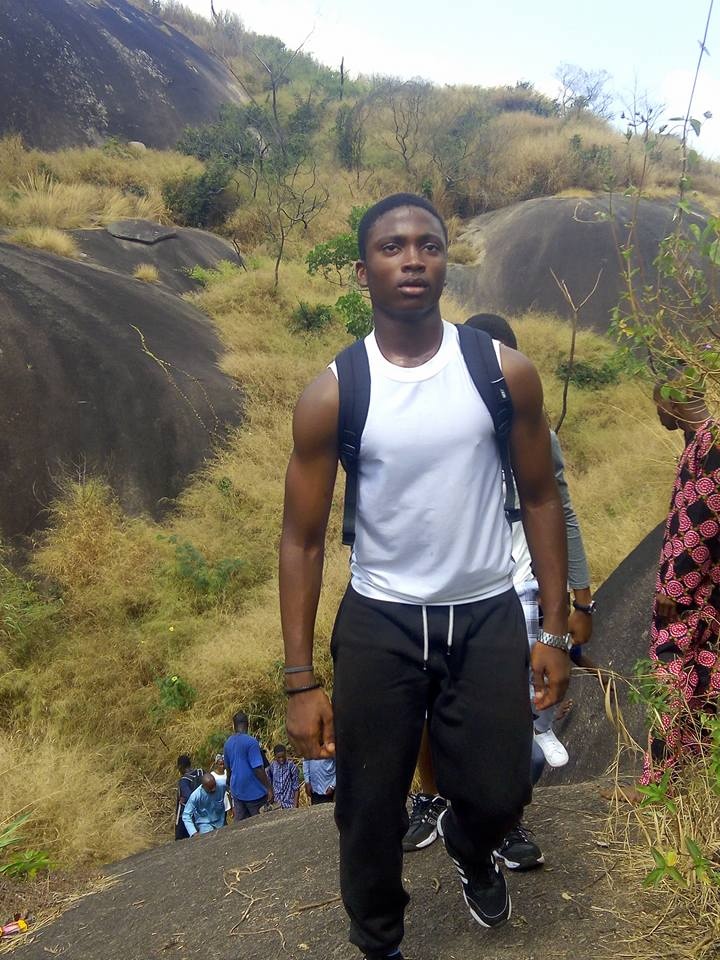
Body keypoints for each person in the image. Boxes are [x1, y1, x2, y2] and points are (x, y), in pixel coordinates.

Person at [279, 193, 571, 960]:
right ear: (362, 271)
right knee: (368, 809)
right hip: (382, 620)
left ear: (446, 262)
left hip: (485, 612)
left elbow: (542, 497)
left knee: (504, 788)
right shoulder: (336, 392)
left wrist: (554, 631)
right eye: (392, 247)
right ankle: (380, 940)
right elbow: (301, 540)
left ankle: (473, 848)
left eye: (428, 245)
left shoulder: (502, 374)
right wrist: (300, 680)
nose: (412, 259)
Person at [403, 313, 596, 872]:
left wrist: (581, 599)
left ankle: (506, 819)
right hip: (444, 585)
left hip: (516, 582)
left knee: (509, 705)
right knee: (430, 697)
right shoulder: (437, 428)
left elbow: (560, 511)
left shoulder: (537, 435)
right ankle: (431, 797)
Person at [638, 374, 720, 785]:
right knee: (702, 672)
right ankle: (695, 770)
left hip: (693, 590)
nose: (658, 415)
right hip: (700, 587)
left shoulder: (712, 445)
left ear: (671, 403)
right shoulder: (700, 442)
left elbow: (705, 519)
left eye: (658, 405)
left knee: (668, 671)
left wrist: (677, 587)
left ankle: (658, 781)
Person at [223, 711, 273, 820]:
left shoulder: (228, 743)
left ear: (234, 725)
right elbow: (258, 769)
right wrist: (269, 788)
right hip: (254, 793)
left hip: (237, 791)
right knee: (260, 823)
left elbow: (228, 769)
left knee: (241, 825)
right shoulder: (251, 742)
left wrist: (230, 786)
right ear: (247, 724)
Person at [175, 754, 203, 841]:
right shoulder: (201, 772)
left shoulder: (184, 781)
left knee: (180, 840)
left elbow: (190, 797)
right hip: (205, 810)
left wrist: (183, 801)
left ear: (180, 767)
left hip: (189, 815)